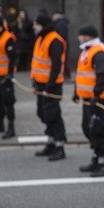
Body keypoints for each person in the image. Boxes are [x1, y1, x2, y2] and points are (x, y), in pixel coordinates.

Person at [72, 24, 104, 177]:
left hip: (99, 100)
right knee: (88, 128)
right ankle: (96, 157)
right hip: (88, 99)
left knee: (99, 131)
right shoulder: (86, 51)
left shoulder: (99, 53)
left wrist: (96, 94)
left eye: (81, 35)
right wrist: (76, 92)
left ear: (88, 36)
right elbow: (81, 74)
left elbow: (102, 75)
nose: (79, 38)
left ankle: (103, 164)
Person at [31, 14, 67, 161]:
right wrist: (35, 83)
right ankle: (51, 142)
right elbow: (37, 63)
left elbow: (56, 66)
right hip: (41, 84)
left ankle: (59, 146)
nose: (34, 26)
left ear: (42, 25)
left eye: (36, 24)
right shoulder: (41, 38)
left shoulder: (54, 40)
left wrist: (49, 86)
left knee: (53, 116)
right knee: (43, 114)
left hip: (51, 86)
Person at [52, 11, 71, 80]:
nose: (53, 17)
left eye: (54, 15)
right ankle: (66, 74)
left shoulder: (61, 23)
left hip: (62, 44)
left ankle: (67, 74)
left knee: (64, 59)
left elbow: (61, 34)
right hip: (63, 44)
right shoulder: (61, 22)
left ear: (58, 15)